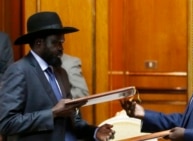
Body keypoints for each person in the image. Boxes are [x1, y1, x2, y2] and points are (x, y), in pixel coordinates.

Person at [0, 11, 115, 141]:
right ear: (39, 43)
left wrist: (95, 132)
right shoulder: (19, 71)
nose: (61, 48)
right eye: (55, 43)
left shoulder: (61, 72)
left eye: (62, 42)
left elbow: (74, 118)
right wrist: (52, 113)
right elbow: (7, 123)